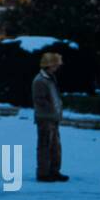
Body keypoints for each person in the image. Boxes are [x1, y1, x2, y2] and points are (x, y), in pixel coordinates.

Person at [32, 52, 68, 183]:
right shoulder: (40, 81)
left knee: (55, 147)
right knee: (45, 146)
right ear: (49, 65)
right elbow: (39, 100)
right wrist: (52, 108)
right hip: (45, 118)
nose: (57, 67)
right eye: (56, 65)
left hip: (53, 118)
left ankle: (54, 171)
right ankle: (43, 173)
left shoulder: (50, 78)